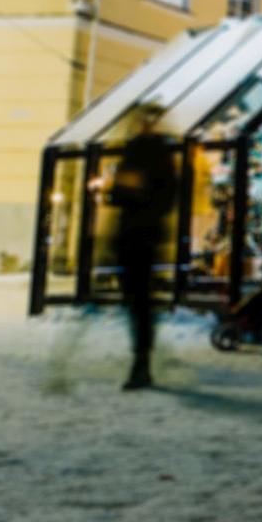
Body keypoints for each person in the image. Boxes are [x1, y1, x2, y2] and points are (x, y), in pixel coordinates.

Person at [107, 104, 178, 391]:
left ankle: (142, 361)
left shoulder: (152, 151)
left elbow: (158, 195)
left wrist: (128, 193)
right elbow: (123, 193)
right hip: (134, 232)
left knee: (139, 300)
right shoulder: (141, 149)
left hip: (141, 233)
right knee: (137, 299)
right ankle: (141, 358)